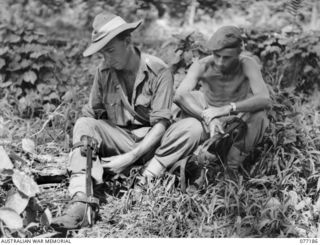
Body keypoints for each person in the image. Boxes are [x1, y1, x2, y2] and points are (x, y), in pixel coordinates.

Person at [51, 12, 174, 231]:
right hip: (119, 140)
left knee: (189, 129)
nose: (106, 58)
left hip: (152, 144)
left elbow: (162, 123)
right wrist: (80, 149)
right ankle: (82, 201)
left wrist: (131, 157)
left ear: (128, 41)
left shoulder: (159, 71)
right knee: (84, 123)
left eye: (110, 50)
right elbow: (92, 114)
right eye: (102, 53)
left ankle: (144, 177)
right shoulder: (104, 72)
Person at [140, 25, 271, 180]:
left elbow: (265, 99)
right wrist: (207, 116)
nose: (220, 62)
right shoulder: (202, 65)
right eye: (217, 55)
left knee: (259, 116)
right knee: (193, 97)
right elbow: (179, 96)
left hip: (234, 122)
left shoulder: (247, 64)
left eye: (227, 57)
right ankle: (191, 162)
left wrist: (228, 109)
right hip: (206, 121)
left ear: (238, 52)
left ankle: (231, 167)